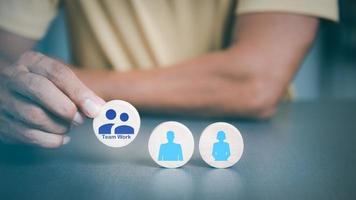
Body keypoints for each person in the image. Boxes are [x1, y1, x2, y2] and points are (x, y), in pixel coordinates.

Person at [0, 0, 338, 148]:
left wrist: (79, 90)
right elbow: (6, 61)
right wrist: (11, 86)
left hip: (255, 138)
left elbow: (256, 82)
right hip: (83, 139)